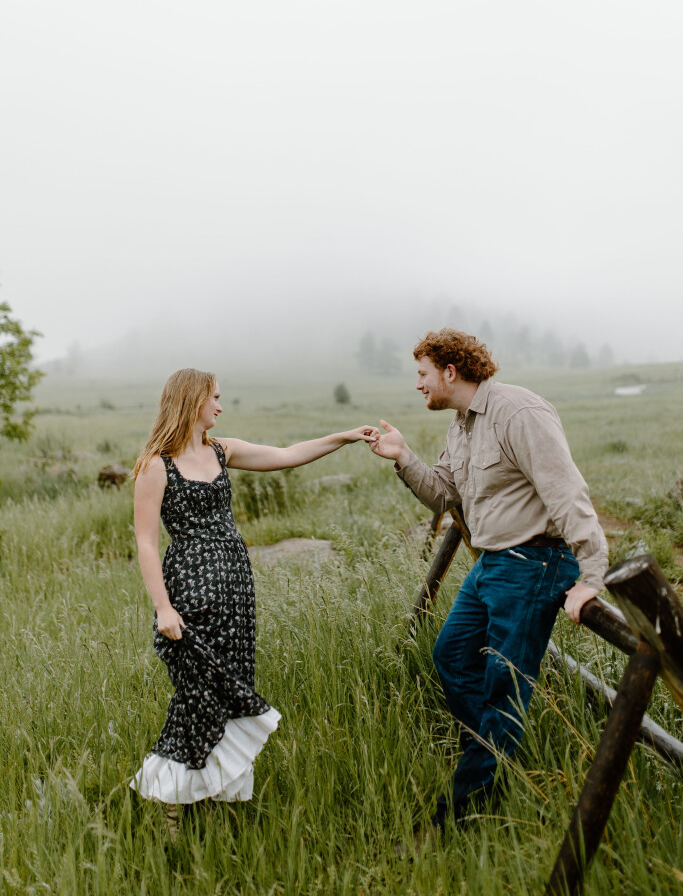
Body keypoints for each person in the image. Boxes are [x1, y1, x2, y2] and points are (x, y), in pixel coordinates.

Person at [368, 329, 608, 841]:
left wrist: (592, 576)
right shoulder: (461, 425)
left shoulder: (518, 412)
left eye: (423, 374)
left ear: (450, 372)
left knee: (503, 688)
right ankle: (495, 756)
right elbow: (443, 494)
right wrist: (403, 456)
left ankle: (463, 816)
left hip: (534, 564)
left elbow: (566, 491)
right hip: (494, 564)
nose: (418, 384)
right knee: (452, 657)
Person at [131, 367, 374, 816]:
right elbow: (146, 543)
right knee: (196, 693)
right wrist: (163, 607)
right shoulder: (156, 465)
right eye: (215, 398)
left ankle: (219, 795)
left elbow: (288, 455)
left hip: (236, 593)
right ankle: (169, 804)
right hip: (189, 592)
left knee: (235, 688)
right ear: (193, 400)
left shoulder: (221, 451)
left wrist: (343, 437)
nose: (220, 406)